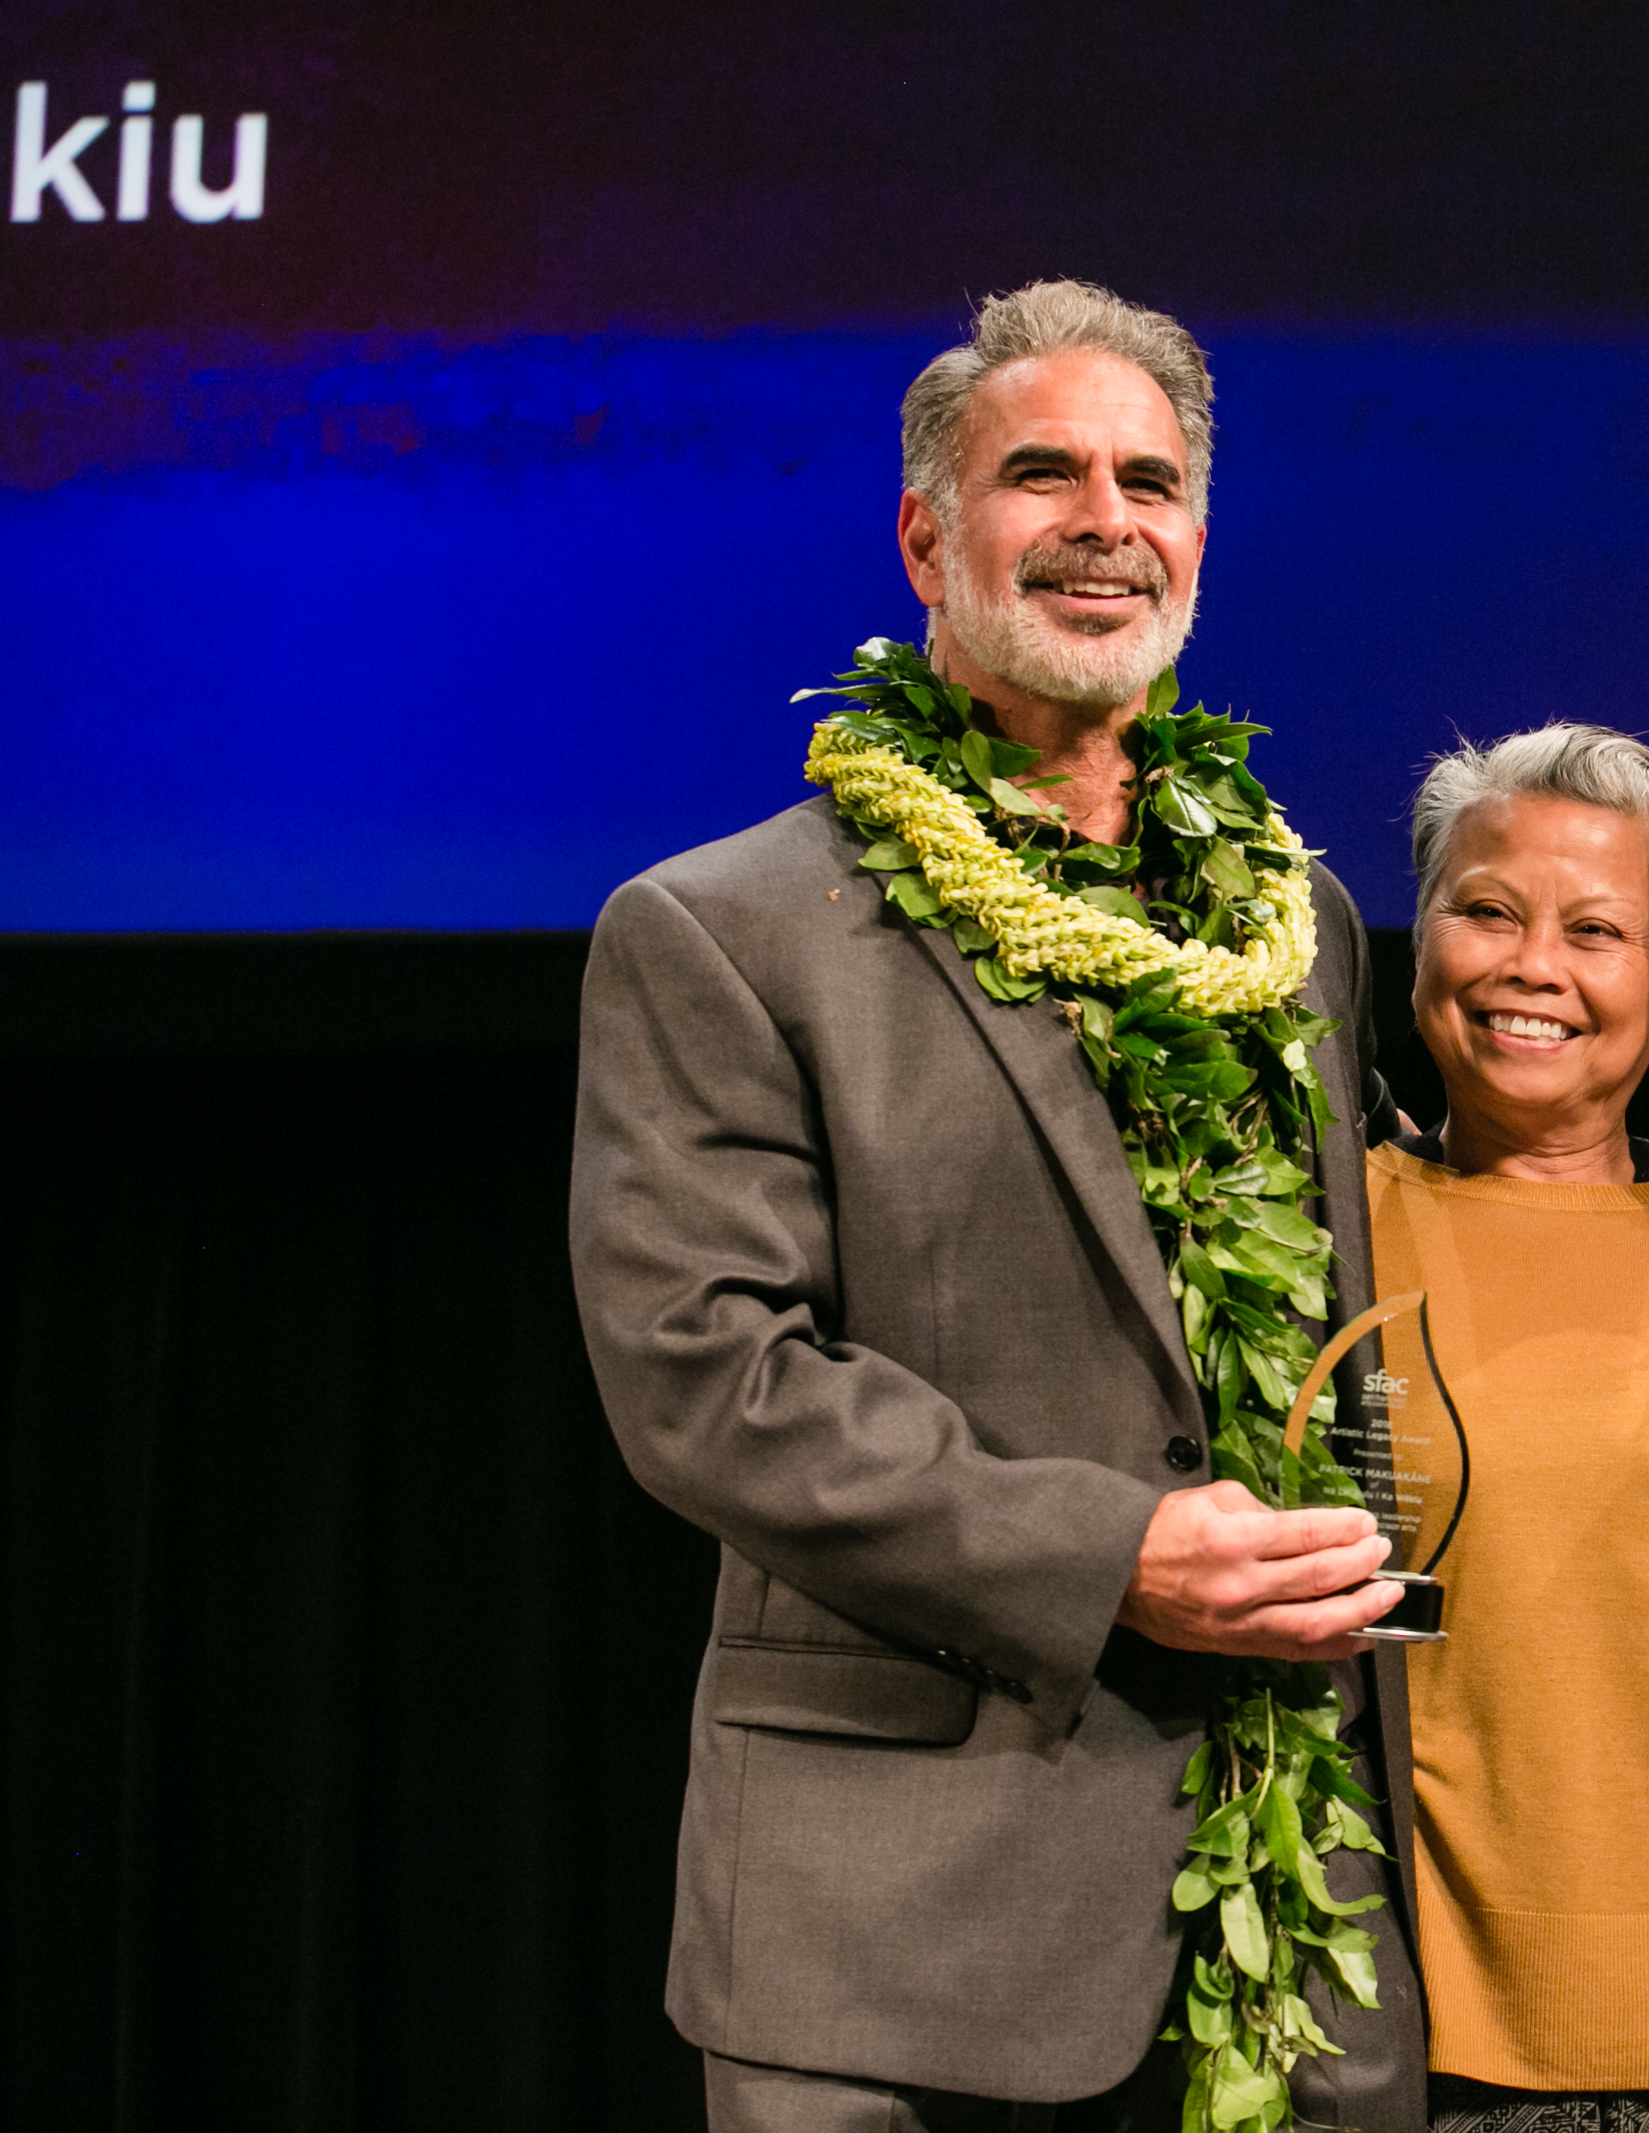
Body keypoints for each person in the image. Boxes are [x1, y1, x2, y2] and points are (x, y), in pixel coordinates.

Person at [568, 281, 1427, 2133]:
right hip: (894, 1936)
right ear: (926, 533)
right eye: (1042, 472)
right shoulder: (720, 931)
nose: (1106, 519)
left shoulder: (1299, 929)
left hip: (1278, 1930)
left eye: (1150, 478)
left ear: (1199, 531)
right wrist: (1114, 1552)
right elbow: (710, 1377)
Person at [1362, 727, 1649, 2133]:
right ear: (1420, 935)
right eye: (1486, 908)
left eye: (1598, 930)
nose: (1531, 965)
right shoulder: (1309, 1232)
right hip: (1400, 2044)